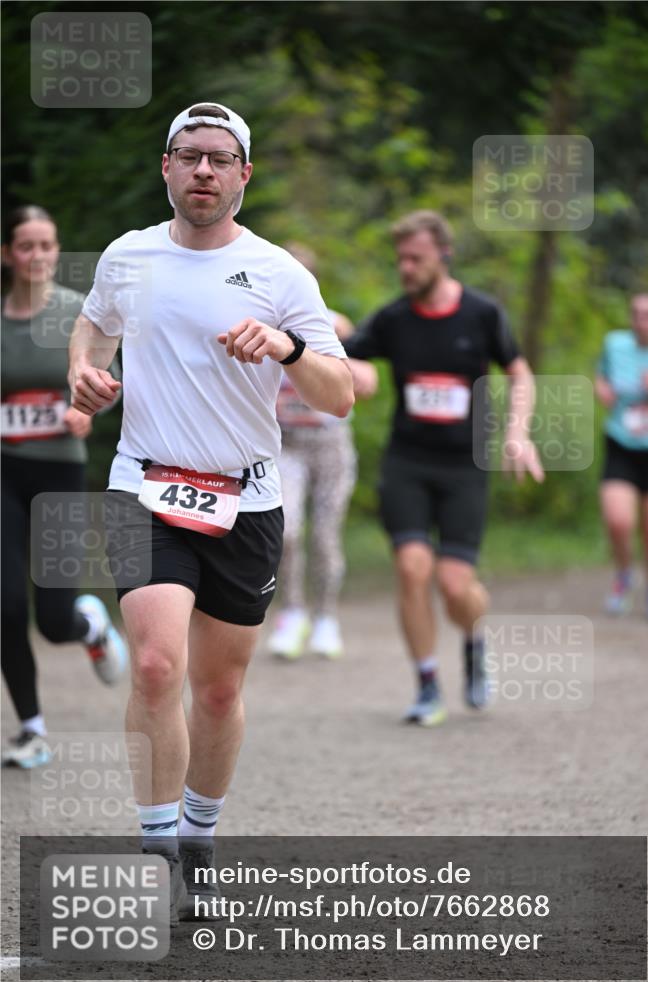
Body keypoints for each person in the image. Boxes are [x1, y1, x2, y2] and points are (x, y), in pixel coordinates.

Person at [68, 102, 353, 920]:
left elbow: (337, 397)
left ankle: (198, 834)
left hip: (246, 500)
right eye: (187, 155)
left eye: (219, 159)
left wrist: (290, 349)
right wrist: (84, 376)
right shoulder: (129, 255)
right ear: (165, 167)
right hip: (145, 484)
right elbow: (91, 331)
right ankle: (157, 850)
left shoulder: (278, 274)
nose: (202, 170)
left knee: (219, 691)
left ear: (242, 176)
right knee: (156, 666)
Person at [343, 210, 543, 726]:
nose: (406, 268)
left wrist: (518, 435)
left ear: (443, 256)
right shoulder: (392, 320)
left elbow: (520, 374)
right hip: (408, 460)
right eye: (401, 259)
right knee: (412, 568)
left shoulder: (482, 314)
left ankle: (474, 640)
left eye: (417, 258)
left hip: (465, 464)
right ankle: (428, 684)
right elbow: (344, 356)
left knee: (456, 586)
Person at [1, 205, 128, 769]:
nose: (37, 256)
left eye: (47, 245)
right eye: (26, 245)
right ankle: (31, 729)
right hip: (4, 470)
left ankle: (89, 626)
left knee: (53, 621)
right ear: (8, 254)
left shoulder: (77, 313)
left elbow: (109, 383)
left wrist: (88, 411)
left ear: (57, 250)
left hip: (59, 474)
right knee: (5, 606)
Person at [268, 243, 377, 660]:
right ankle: (293, 613)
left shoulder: (334, 325)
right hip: (285, 443)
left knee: (326, 535)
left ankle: (326, 617)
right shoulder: (259, 325)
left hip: (330, 446)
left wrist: (363, 371)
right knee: (286, 529)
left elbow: (362, 370)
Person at [596, 293, 648, 621]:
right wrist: (603, 390)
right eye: (637, 314)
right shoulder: (615, 344)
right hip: (622, 443)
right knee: (618, 520)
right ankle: (624, 574)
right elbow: (601, 378)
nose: (643, 321)